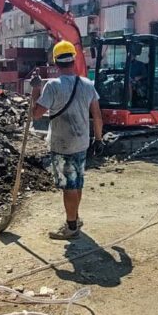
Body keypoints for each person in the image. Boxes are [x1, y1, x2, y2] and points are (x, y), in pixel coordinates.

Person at [30, 40, 104, 240]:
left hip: (63, 144)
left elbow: (36, 114)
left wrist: (36, 89)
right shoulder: (88, 84)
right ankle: (76, 218)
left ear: (55, 62)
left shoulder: (53, 86)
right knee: (77, 182)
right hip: (82, 142)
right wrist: (99, 139)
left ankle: (71, 227)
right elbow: (97, 116)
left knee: (69, 187)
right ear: (74, 59)